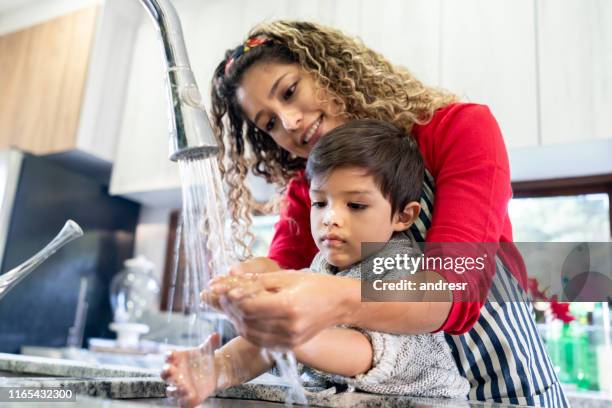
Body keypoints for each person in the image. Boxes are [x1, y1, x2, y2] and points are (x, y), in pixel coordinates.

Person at [203, 21, 567, 406]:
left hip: (507, 390)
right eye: (270, 123)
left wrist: (335, 298)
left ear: (328, 67)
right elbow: (290, 275)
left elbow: (449, 290)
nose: (290, 122)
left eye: (290, 92)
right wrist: (249, 286)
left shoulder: (458, 130)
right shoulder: (304, 189)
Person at [162, 120, 470, 407]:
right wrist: (220, 367)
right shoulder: (321, 269)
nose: (330, 219)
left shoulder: (402, 268)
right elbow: (266, 346)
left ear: (403, 216)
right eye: (320, 202)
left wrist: (289, 333)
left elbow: (367, 352)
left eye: (356, 205)